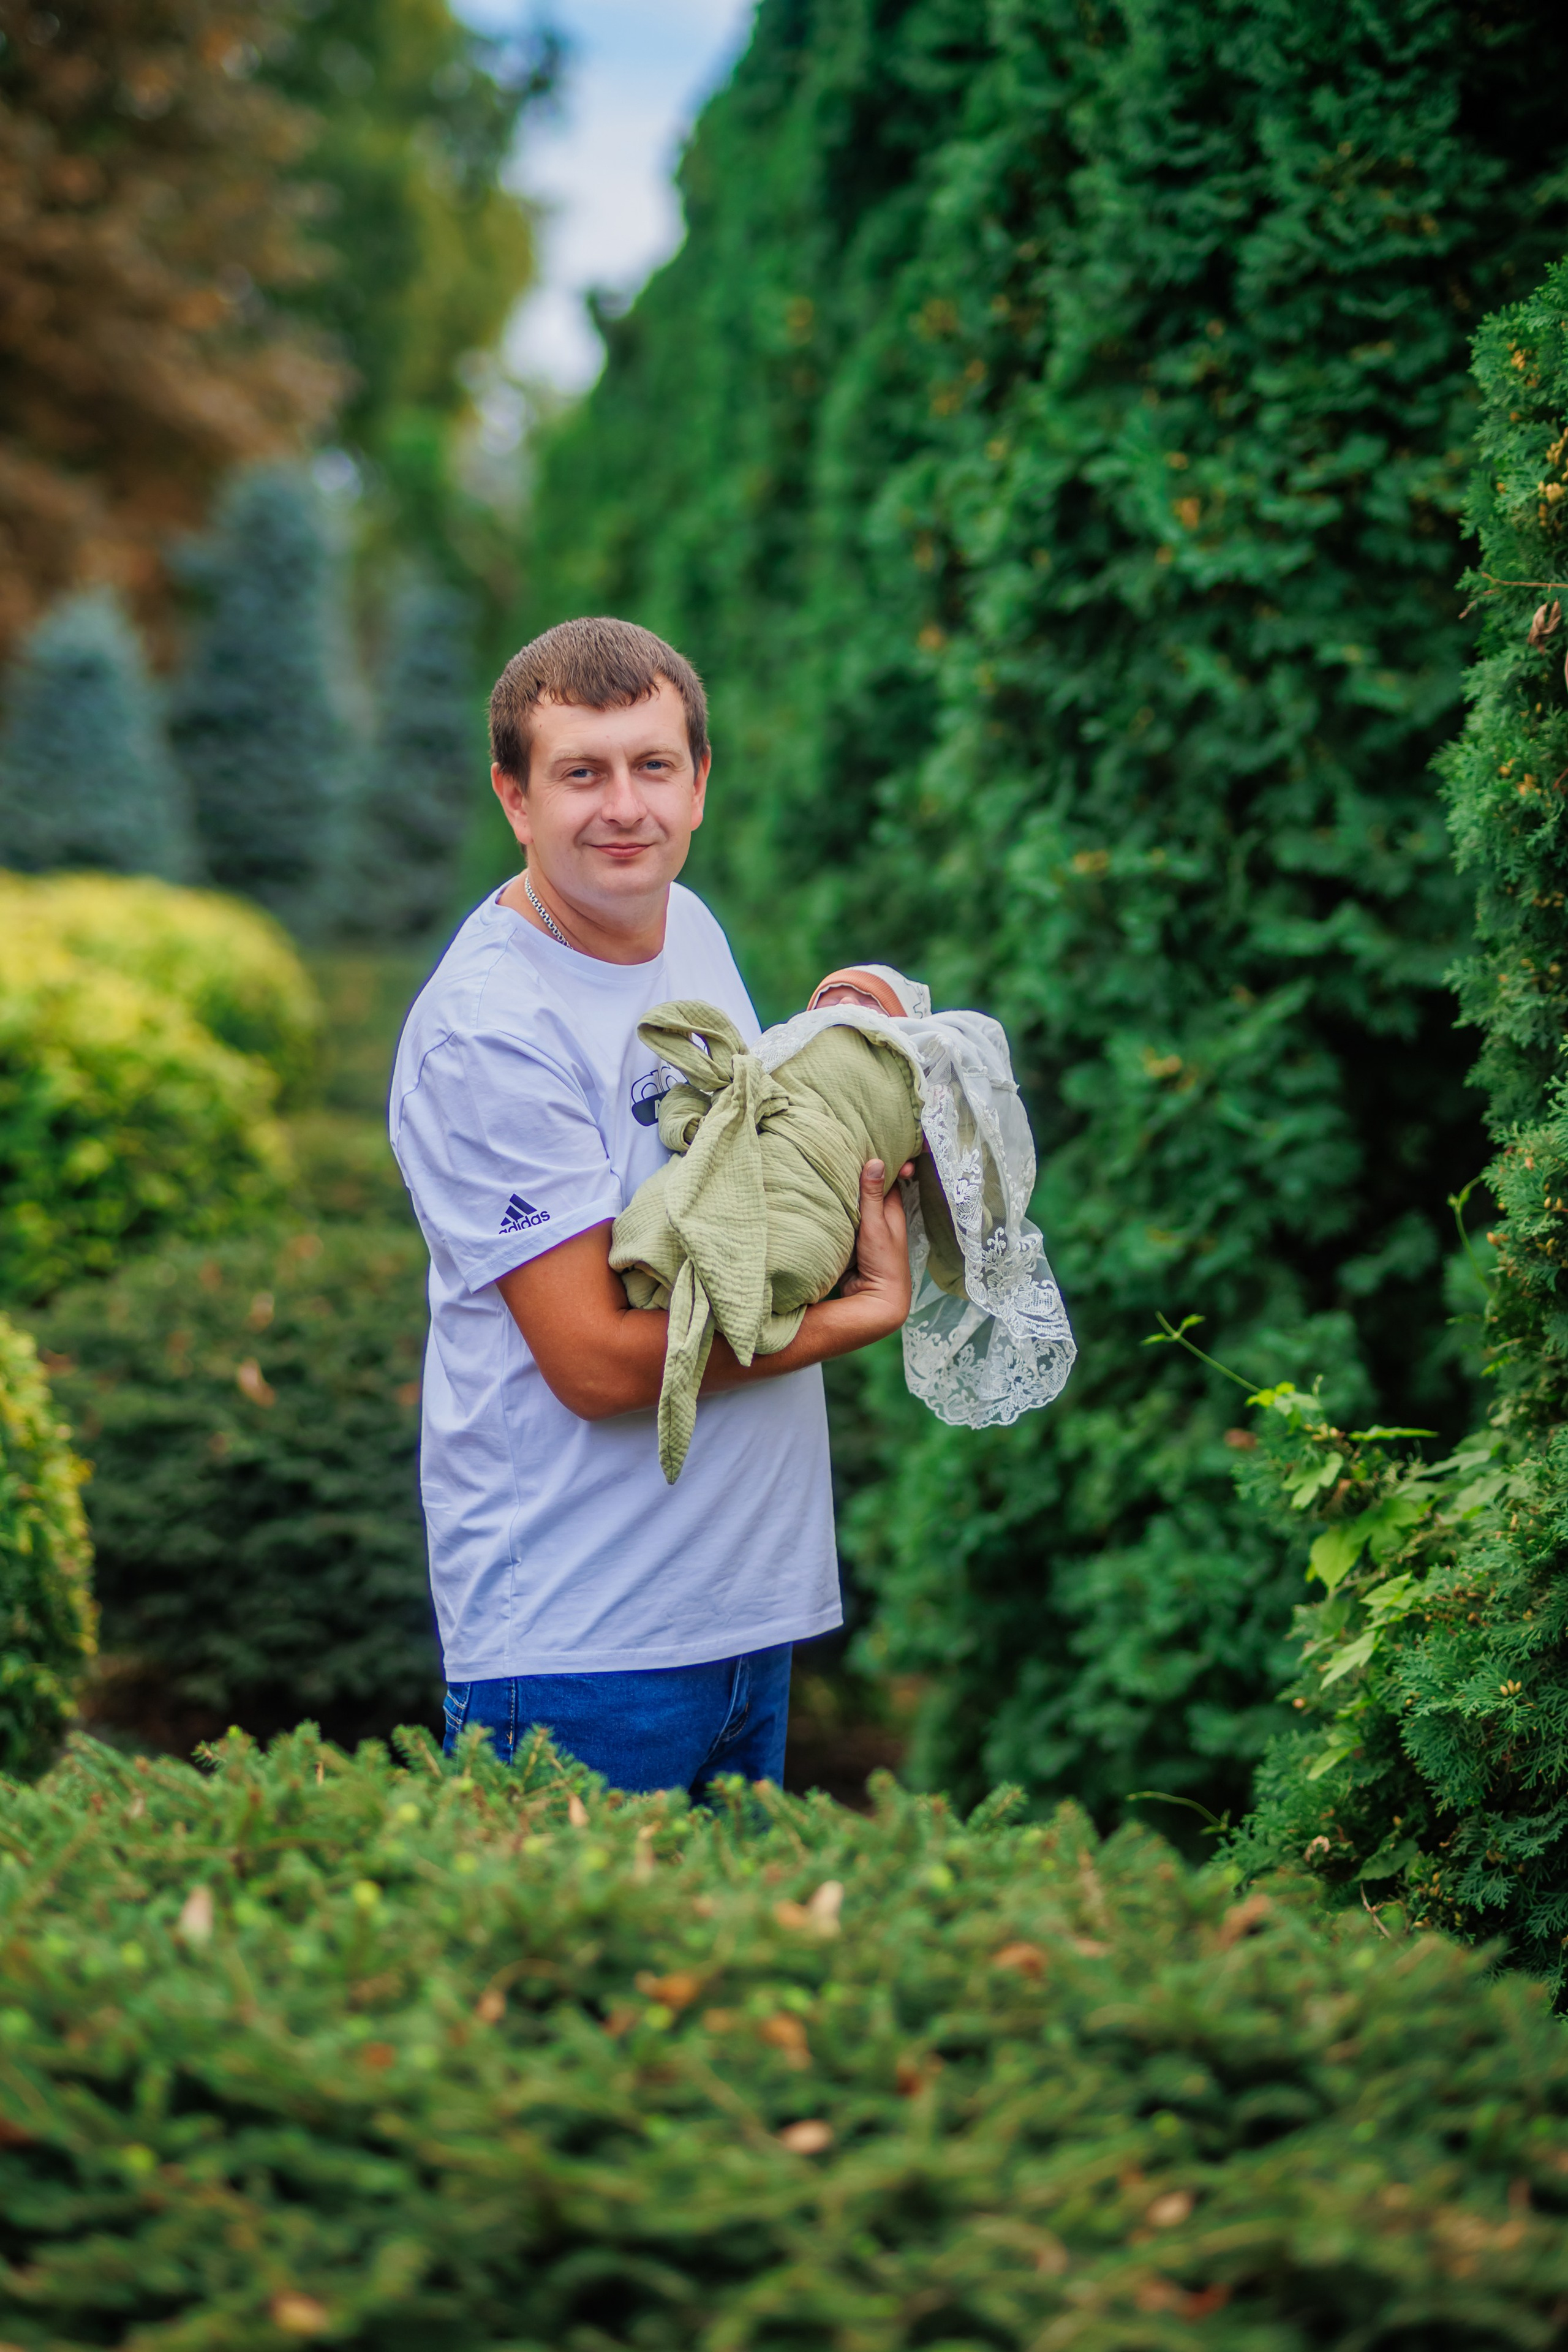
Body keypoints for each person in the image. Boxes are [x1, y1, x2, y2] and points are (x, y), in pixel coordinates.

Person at [388, 617, 914, 1798]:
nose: (623, 807)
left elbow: (731, 1189)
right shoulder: (491, 1029)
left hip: (745, 1614)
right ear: (515, 800)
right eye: (581, 773)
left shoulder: (687, 925)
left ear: (700, 783)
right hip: (584, 1647)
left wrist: (857, 1059)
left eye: (652, 766)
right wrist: (858, 1315)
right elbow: (598, 1363)